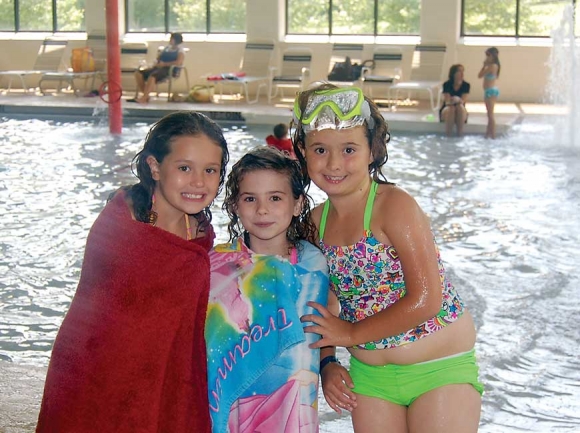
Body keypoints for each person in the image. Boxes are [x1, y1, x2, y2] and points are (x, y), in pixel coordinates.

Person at [292, 84, 484, 433]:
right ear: (303, 152)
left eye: (349, 149)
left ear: (372, 150)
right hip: (371, 379)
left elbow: (427, 299)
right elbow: (325, 307)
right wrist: (328, 362)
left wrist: (351, 333)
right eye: (320, 149)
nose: (334, 163)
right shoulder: (314, 225)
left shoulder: (393, 207)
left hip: (438, 369)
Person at [36, 111, 230, 433]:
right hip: (95, 371)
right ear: (155, 167)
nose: (199, 182)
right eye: (184, 168)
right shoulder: (121, 222)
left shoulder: (200, 234)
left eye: (210, 170)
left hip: (165, 376)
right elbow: (97, 319)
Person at [205, 146, 329, 433]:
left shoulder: (313, 264)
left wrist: (330, 363)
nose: (262, 209)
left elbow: (324, 325)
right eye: (250, 198)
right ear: (235, 205)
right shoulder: (218, 265)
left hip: (293, 404)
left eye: (275, 198)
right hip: (234, 402)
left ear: (297, 204)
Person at [129, 32, 185, 104]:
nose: (170, 40)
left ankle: (144, 98)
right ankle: (146, 96)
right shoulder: (167, 48)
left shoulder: (180, 51)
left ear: (176, 40)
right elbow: (158, 58)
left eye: (171, 39)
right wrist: (156, 62)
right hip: (158, 68)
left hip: (169, 70)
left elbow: (178, 62)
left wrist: (164, 64)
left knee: (153, 76)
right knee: (138, 73)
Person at [440, 64, 470, 137]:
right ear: (453, 73)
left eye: (463, 71)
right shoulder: (447, 84)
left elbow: (463, 100)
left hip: (460, 109)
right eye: (459, 71)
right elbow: (447, 101)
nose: (462, 73)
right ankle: (448, 135)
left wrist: (458, 100)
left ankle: (459, 134)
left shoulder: (466, 85)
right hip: (448, 109)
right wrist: (453, 101)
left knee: (459, 107)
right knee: (451, 108)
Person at [478, 47, 501, 139]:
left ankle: (493, 135)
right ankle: (487, 134)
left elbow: (480, 75)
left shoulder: (492, 66)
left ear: (492, 56)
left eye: (488, 56)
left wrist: (484, 66)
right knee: (489, 114)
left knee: (490, 115)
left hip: (490, 92)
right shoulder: (493, 66)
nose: (486, 58)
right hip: (490, 91)